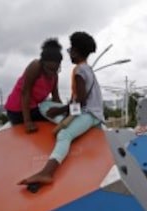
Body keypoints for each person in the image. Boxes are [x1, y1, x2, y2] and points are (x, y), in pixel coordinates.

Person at [18, 31, 104, 185]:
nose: (69, 53)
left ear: (76, 52)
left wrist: (60, 111)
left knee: (64, 135)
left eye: (70, 50)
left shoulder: (79, 71)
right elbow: (79, 98)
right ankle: (63, 120)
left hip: (89, 115)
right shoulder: (87, 69)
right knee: (45, 104)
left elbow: (82, 100)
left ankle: (47, 173)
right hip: (93, 113)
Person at [4, 38, 63, 133]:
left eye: (55, 70)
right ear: (42, 63)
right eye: (49, 69)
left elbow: (56, 98)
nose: (52, 73)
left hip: (34, 108)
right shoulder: (35, 67)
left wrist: (64, 111)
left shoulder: (54, 75)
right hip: (18, 110)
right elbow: (25, 93)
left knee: (57, 121)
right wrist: (27, 121)